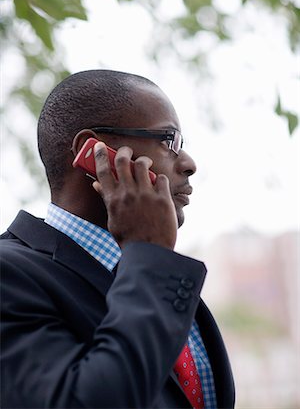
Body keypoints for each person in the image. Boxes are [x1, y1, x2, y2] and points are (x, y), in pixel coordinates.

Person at [0, 70, 235, 409]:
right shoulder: (10, 274)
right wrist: (151, 254)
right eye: (169, 141)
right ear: (93, 152)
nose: (188, 163)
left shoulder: (161, 277)